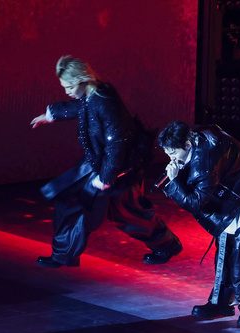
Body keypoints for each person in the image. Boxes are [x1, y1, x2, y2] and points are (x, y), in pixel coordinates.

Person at [30, 56, 182, 268]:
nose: (66, 91)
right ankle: (64, 255)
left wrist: (106, 178)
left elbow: (116, 143)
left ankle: (167, 245)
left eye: (69, 86)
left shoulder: (103, 101)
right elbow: (80, 107)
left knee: (128, 213)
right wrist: (51, 114)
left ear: (83, 80)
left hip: (118, 168)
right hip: (103, 164)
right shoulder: (92, 95)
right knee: (72, 201)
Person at [157, 120, 240, 327]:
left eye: (174, 153)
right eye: (168, 154)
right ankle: (221, 302)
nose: (171, 159)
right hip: (232, 193)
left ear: (187, 145)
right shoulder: (195, 139)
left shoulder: (204, 162)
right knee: (224, 246)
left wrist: (175, 182)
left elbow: (196, 203)